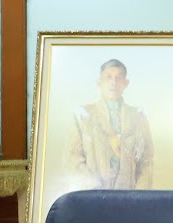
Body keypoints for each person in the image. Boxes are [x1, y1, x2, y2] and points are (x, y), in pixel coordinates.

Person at [64, 58, 155, 189]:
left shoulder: (138, 117)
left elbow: (147, 162)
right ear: (99, 83)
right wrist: (95, 191)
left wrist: (138, 195)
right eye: (108, 77)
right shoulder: (82, 116)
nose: (113, 83)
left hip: (129, 196)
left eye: (119, 78)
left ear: (126, 83)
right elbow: (73, 159)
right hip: (92, 195)